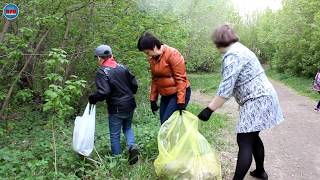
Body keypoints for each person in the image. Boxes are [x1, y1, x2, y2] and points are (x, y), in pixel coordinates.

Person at [197, 24, 283, 180]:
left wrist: (209, 109)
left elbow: (225, 89)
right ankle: (260, 171)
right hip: (263, 97)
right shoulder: (241, 48)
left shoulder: (232, 55)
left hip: (256, 99)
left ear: (219, 43)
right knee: (253, 136)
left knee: (244, 140)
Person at [88, 44, 139, 165]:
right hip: (130, 104)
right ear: (111, 55)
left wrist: (93, 98)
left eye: (97, 58)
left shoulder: (102, 71)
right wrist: (129, 94)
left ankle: (117, 161)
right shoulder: (122, 67)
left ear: (100, 58)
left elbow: (104, 92)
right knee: (127, 128)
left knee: (115, 135)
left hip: (116, 108)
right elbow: (134, 84)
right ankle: (132, 146)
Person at [137, 32, 191, 124]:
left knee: (168, 123)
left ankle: (181, 138)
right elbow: (155, 79)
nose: (148, 55)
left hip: (178, 93)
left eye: (147, 52)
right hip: (165, 95)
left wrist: (181, 101)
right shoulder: (152, 59)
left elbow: (181, 78)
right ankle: (174, 138)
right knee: (164, 123)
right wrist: (153, 100)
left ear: (154, 46)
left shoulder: (172, 53)